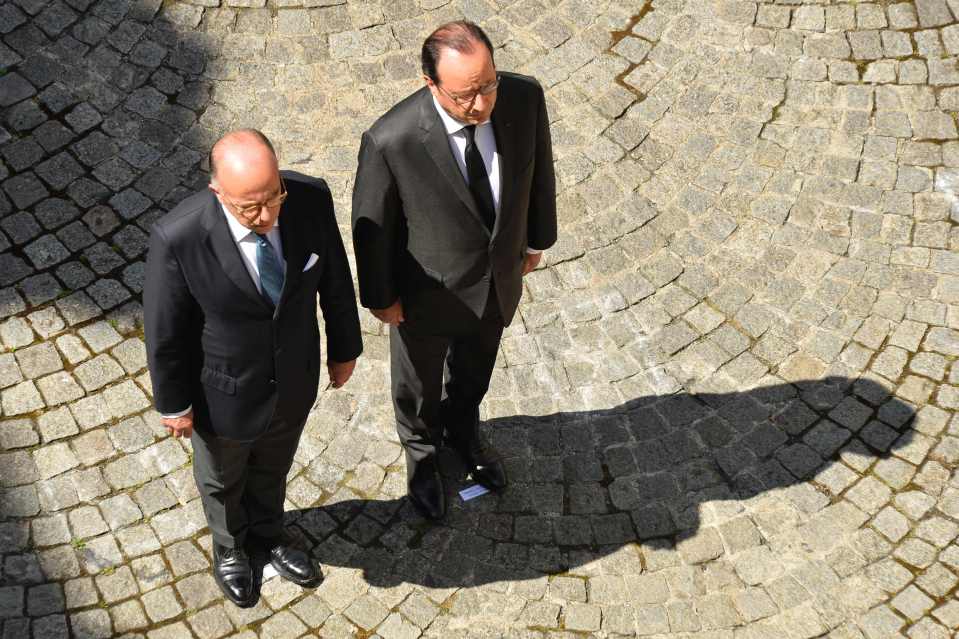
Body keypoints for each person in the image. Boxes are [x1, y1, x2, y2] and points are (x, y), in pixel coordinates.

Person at [144, 129, 363, 607]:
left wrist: (345, 348)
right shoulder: (178, 237)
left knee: (274, 465)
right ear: (217, 191)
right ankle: (230, 549)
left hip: (293, 378)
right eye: (249, 208)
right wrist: (174, 403)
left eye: (272, 199)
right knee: (222, 480)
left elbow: (335, 277)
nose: (266, 216)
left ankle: (268, 534)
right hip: (222, 392)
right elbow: (165, 331)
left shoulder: (308, 198)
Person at [351, 21, 557, 520]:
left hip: (496, 281)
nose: (482, 103)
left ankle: (465, 433)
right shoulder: (391, 140)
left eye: (488, 85)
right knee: (418, 386)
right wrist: (381, 298)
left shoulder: (523, 98)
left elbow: (538, 169)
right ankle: (422, 459)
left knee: (475, 369)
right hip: (426, 293)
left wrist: (535, 240)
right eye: (466, 95)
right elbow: (373, 227)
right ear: (431, 84)